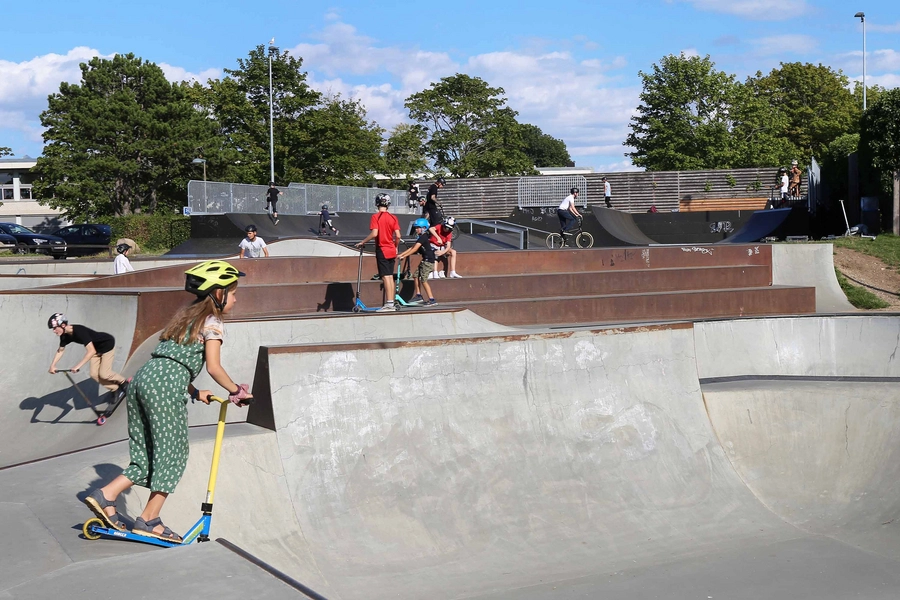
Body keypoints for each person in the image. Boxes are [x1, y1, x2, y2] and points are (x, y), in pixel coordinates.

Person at [82, 260, 252, 541]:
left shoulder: (184, 317)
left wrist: (195, 392)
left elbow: (170, 362)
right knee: (173, 454)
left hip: (142, 381)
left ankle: (107, 494)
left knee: (147, 453)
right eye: (233, 292)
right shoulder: (214, 322)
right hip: (166, 387)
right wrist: (237, 391)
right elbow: (214, 367)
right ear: (218, 294)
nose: (236, 298)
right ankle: (148, 520)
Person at [48, 313, 128, 397]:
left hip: (106, 345)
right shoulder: (64, 336)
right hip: (96, 349)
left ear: (63, 325)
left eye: (54, 328)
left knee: (104, 374)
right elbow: (60, 351)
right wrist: (52, 366)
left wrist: (77, 366)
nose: (54, 331)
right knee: (94, 374)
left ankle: (123, 382)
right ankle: (114, 388)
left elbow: (91, 351)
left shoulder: (79, 330)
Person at [355, 193, 401, 312]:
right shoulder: (393, 217)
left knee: (385, 277)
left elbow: (375, 233)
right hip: (391, 249)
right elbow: (398, 236)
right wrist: (396, 246)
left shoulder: (376, 217)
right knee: (390, 276)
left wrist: (363, 241)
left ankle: (389, 304)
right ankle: (391, 302)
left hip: (382, 248)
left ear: (377, 203)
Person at [398, 218, 439, 306]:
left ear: (424, 228)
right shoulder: (421, 237)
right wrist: (402, 254)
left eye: (417, 228)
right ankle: (418, 295)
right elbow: (412, 247)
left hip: (428, 262)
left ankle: (432, 300)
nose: (416, 230)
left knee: (424, 280)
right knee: (415, 276)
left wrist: (404, 256)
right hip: (424, 260)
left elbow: (415, 249)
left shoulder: (424, 237)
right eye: (416, 228)